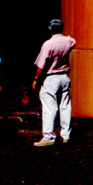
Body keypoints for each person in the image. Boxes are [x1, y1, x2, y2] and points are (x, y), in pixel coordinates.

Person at [32, 18, 75, 147]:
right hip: (64, 76)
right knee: (65, 106)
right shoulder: (69, 41)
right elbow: (73, 42)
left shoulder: (48, 44)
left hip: (51, 77)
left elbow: (41, 65)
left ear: (49, 29)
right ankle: (65, 135)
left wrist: (35, 79)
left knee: (49, 107)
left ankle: (49, 136)